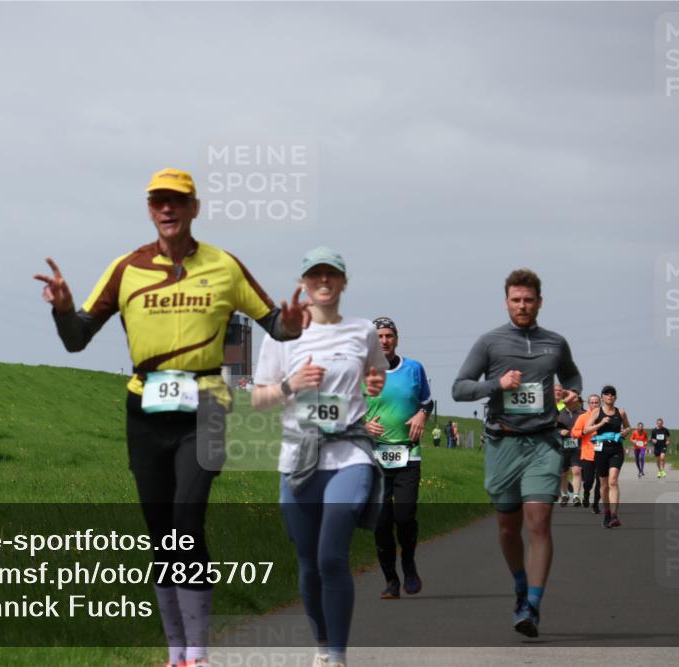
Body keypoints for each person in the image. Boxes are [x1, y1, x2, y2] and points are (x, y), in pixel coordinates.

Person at [35, 168, 310, 667]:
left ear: (194, 208)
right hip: (145, 409)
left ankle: (199, 653)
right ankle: (176, 653)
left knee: (187, 519)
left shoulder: (225, 266)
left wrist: (288, 325)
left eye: (177, 201)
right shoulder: (126, 268)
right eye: (159, 201)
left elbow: (277, 323)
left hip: (205, 404)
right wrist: (64, 309)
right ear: (149, 209)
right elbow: (78, 338)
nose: (168, 209)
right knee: (161, 532)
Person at [251, 247, 387, 667]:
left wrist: (374, 380)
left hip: (350, 454)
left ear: (343, 282)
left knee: (332, 555)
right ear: (303, 282)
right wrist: (291, 385)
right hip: (298, 458)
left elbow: (375, 372)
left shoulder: (363, 331)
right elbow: (258, 400)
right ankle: (323, 645)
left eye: (332, 274)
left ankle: (338, 655)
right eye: (315, 274)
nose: (323, 281)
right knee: (308, 562)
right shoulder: (280, 335)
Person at [452, 268, 582, 638]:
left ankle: (532, 606)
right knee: (508, 528)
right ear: (506, 301)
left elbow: (572, 377)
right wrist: (497, 384)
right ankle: (521, 586)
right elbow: (459, 388)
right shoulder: (490, 343)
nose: (522, 306)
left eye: (528, 300)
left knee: (538, 522)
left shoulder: (555, 343)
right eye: (516, 300)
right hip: (502, 443)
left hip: (543, 442)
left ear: (540, 302)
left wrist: (571, 393)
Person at [364, 317, 433, 599]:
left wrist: (421, 414)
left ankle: (409, 562)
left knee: (404, 516)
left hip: (408, 454)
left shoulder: (414, 368)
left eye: (389, 335)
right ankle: (391, 580)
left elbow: (427, 401)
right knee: (381, 523)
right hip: (374, 456)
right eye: (379, 336)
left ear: (396, 338)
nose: (384, 341)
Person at [583, 385, 632, 529]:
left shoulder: (621, 412)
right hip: (601, 450)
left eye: (612, 394)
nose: (609, 396)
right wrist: (601, 423)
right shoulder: (597, 412)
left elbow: (628, 427)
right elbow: (586, 429)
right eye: (606, 394)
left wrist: (625, 432)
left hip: (616, 449)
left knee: (612, 481)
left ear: (615, 397)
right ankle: (607, 512)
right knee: (603, 485)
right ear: (602, 397)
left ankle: (615, 516)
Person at [572, 395, 603, 513]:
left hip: (601, 453)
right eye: (592, 403)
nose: (594, 405)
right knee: (589, 481)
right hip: (587, 454)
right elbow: (574, 433)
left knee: (600, 480)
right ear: (588, 404)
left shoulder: (604, 417)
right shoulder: (583, 417)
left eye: (596, 403)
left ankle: (595, 505)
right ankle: (586, 493)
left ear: (600, 403)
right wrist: (583, 432)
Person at [556, 393, 585, 506]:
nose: (571, 402)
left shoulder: (582, 414)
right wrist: (559, 432)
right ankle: (564, 495)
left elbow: (587, 429)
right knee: (563, 474)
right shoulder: (559, 413)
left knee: (576, 471)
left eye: (574, 400)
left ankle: (576, 496)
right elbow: (552, 427)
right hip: (562, 447)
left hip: (577, 447)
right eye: (568, 401)